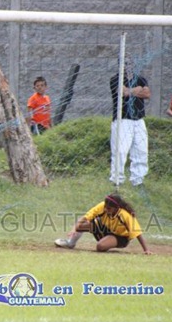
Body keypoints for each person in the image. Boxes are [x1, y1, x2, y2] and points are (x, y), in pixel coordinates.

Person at [54, 193, 152, 255]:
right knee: (80, 225)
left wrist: (146, 250)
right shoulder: (103, 206)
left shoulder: (125, 215)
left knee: (100, 247)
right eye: (105, 207)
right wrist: (73, 229)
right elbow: (85, 217)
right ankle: (70, 243)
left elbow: (138, 233)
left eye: (109, 208)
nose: (106, 209)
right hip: (106, 229)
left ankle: (107, 242)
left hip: (120, 237)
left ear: (116, 208)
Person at [109, 55, 150, 187]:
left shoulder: (140, 78)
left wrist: (131, 91)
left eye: (130, 63)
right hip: (123, 119)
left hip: (138, 119)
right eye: (125, 63)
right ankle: (117, 179)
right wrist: (136, 90)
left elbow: (147, 94)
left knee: (141, 150)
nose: (128, 66)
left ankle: (138, 179)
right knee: (120, 150)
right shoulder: (116, 79)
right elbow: (123, 92)